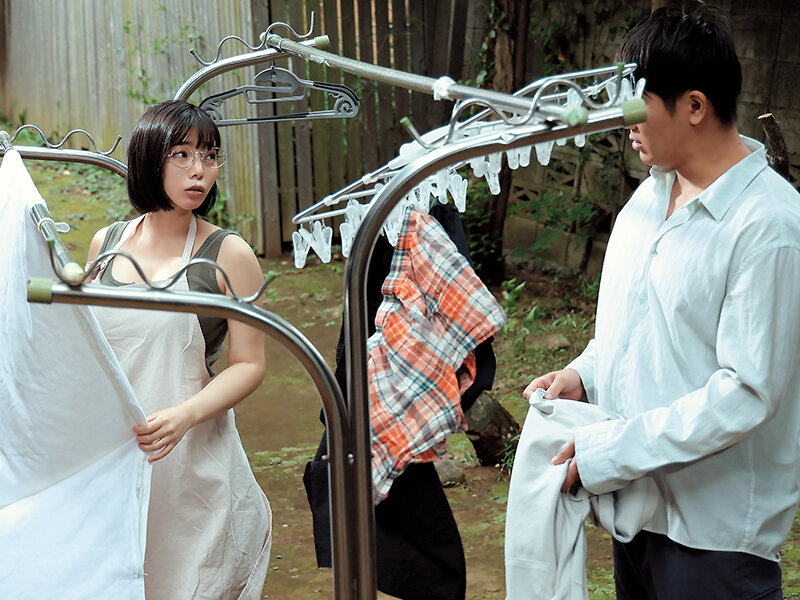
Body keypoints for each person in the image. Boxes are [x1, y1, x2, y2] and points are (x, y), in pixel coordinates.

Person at [522, 6, 800, 599]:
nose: (624, 118)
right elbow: (637, 329)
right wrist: (585, 374)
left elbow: (747, 393)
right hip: (637, 515)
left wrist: (613, 453)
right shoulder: (647, 200)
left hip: (714, 539)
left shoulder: (768, 226)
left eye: (636, 100)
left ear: (694, 106)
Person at [86, 100, 271, 600]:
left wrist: (185, 415)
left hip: (189, 452)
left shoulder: (227, 253)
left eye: (209, 155)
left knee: (185, 580)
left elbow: (249, 363)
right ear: (150, 159)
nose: (199, 170)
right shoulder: (105, 244)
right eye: (182, 154)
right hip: (111, 450)